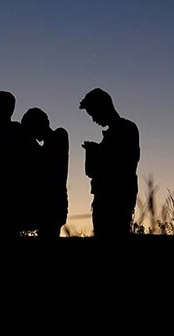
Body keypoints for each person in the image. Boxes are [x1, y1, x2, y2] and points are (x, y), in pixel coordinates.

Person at [79, 88, 139, 237]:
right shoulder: (118, 132)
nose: (94, 120)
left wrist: (95, 152)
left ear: (103, 107)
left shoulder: (127, 129)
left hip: (116, 199)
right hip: (105, 197)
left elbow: (124, 163)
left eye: (94, 114)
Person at [0, 91, 38, 238]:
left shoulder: (15, 131)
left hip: (6, 206)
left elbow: (31, 161)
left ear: (7, 108)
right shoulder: (4, 132)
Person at [22, 107, 69, 239]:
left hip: (53, 204)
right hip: (46, 204)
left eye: (31, 130)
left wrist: (30, 144)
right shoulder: (43, 146)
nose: (33, 136)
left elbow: (47, 161)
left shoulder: (59, 135)